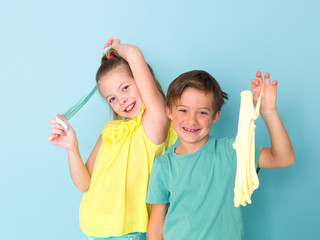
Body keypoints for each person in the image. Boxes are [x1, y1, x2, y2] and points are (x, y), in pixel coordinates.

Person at [47, 37, 177, 240]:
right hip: (93, 230)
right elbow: (84, 184)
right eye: (112, 99)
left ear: (142, 79)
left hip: (128, 234)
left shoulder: (155, 122)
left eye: (125, 88)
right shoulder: (109, 131)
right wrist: (72, 147)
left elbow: (133, 54)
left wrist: (113, 49)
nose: (122, 100)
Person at [146, 70, 295, 240]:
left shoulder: (231, 152)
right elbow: (156, 226)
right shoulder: (163, 166)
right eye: (183, 110)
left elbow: (284, 158)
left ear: (215, 116)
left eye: (202, 112)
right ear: (169, 112)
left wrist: (269, 113)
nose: (192, 120)